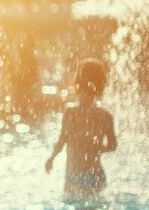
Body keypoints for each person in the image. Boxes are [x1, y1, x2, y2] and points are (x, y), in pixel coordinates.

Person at [45, 58, 117, 200]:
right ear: (100, 87)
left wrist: (51, 158)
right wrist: (97, 148)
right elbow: (113, 145)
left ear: (77, 84)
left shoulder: (71, 113)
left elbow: (62, 140)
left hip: (74, 175)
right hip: (95, 176)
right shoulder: (105, 116)